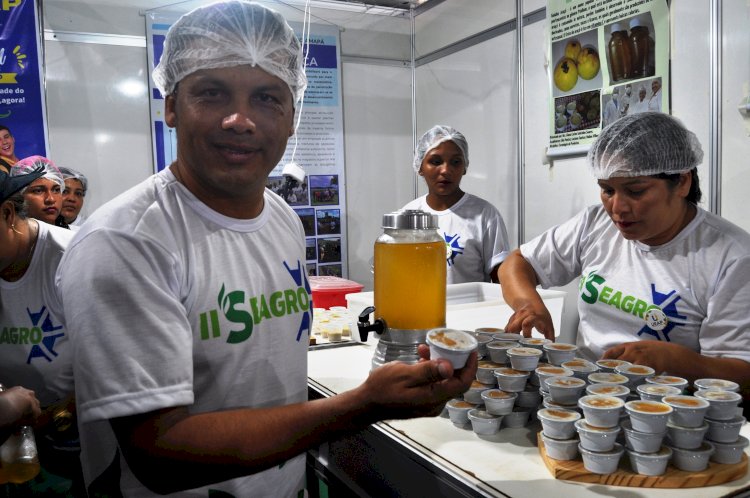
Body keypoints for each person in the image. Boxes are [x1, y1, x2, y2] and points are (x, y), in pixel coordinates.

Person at [57, 2, 476, 496]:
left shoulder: (280, 219)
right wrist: (361, 405)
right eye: (212, 93)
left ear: (292, 116)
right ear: (171, 105)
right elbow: (160, 454)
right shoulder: (127, 242)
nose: (240, 120)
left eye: (267, 98)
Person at [498, 112, 750, 386]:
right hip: (587, 391)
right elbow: (518, 262)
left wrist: (673, 360)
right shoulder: (595, 224)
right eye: (607, 190)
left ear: (682, 182)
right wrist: (529, 304)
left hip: (670, 411)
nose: (618, 209)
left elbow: (743, 375)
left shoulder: (731, 257)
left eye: (636, 191)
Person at [1, 166, 80, 494]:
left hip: (77, 432)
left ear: (7, 214)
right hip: (14, 436)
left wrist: (56, 414)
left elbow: (119, 363)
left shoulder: (71, 257)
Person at [401, 125, 510, 283]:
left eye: (455, 162)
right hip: (421, 307)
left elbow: (501, 277)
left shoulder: (485, 215)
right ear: (420, 167)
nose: (445, 170)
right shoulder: (408, 215)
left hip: (470, 307)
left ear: (464, 167)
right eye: (436, 161)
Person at [11, 156, 69, 228]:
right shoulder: (6, 238)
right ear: (19, 196)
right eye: (38, 191)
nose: (51, 199)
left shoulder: (74, 235)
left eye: (56, 190)